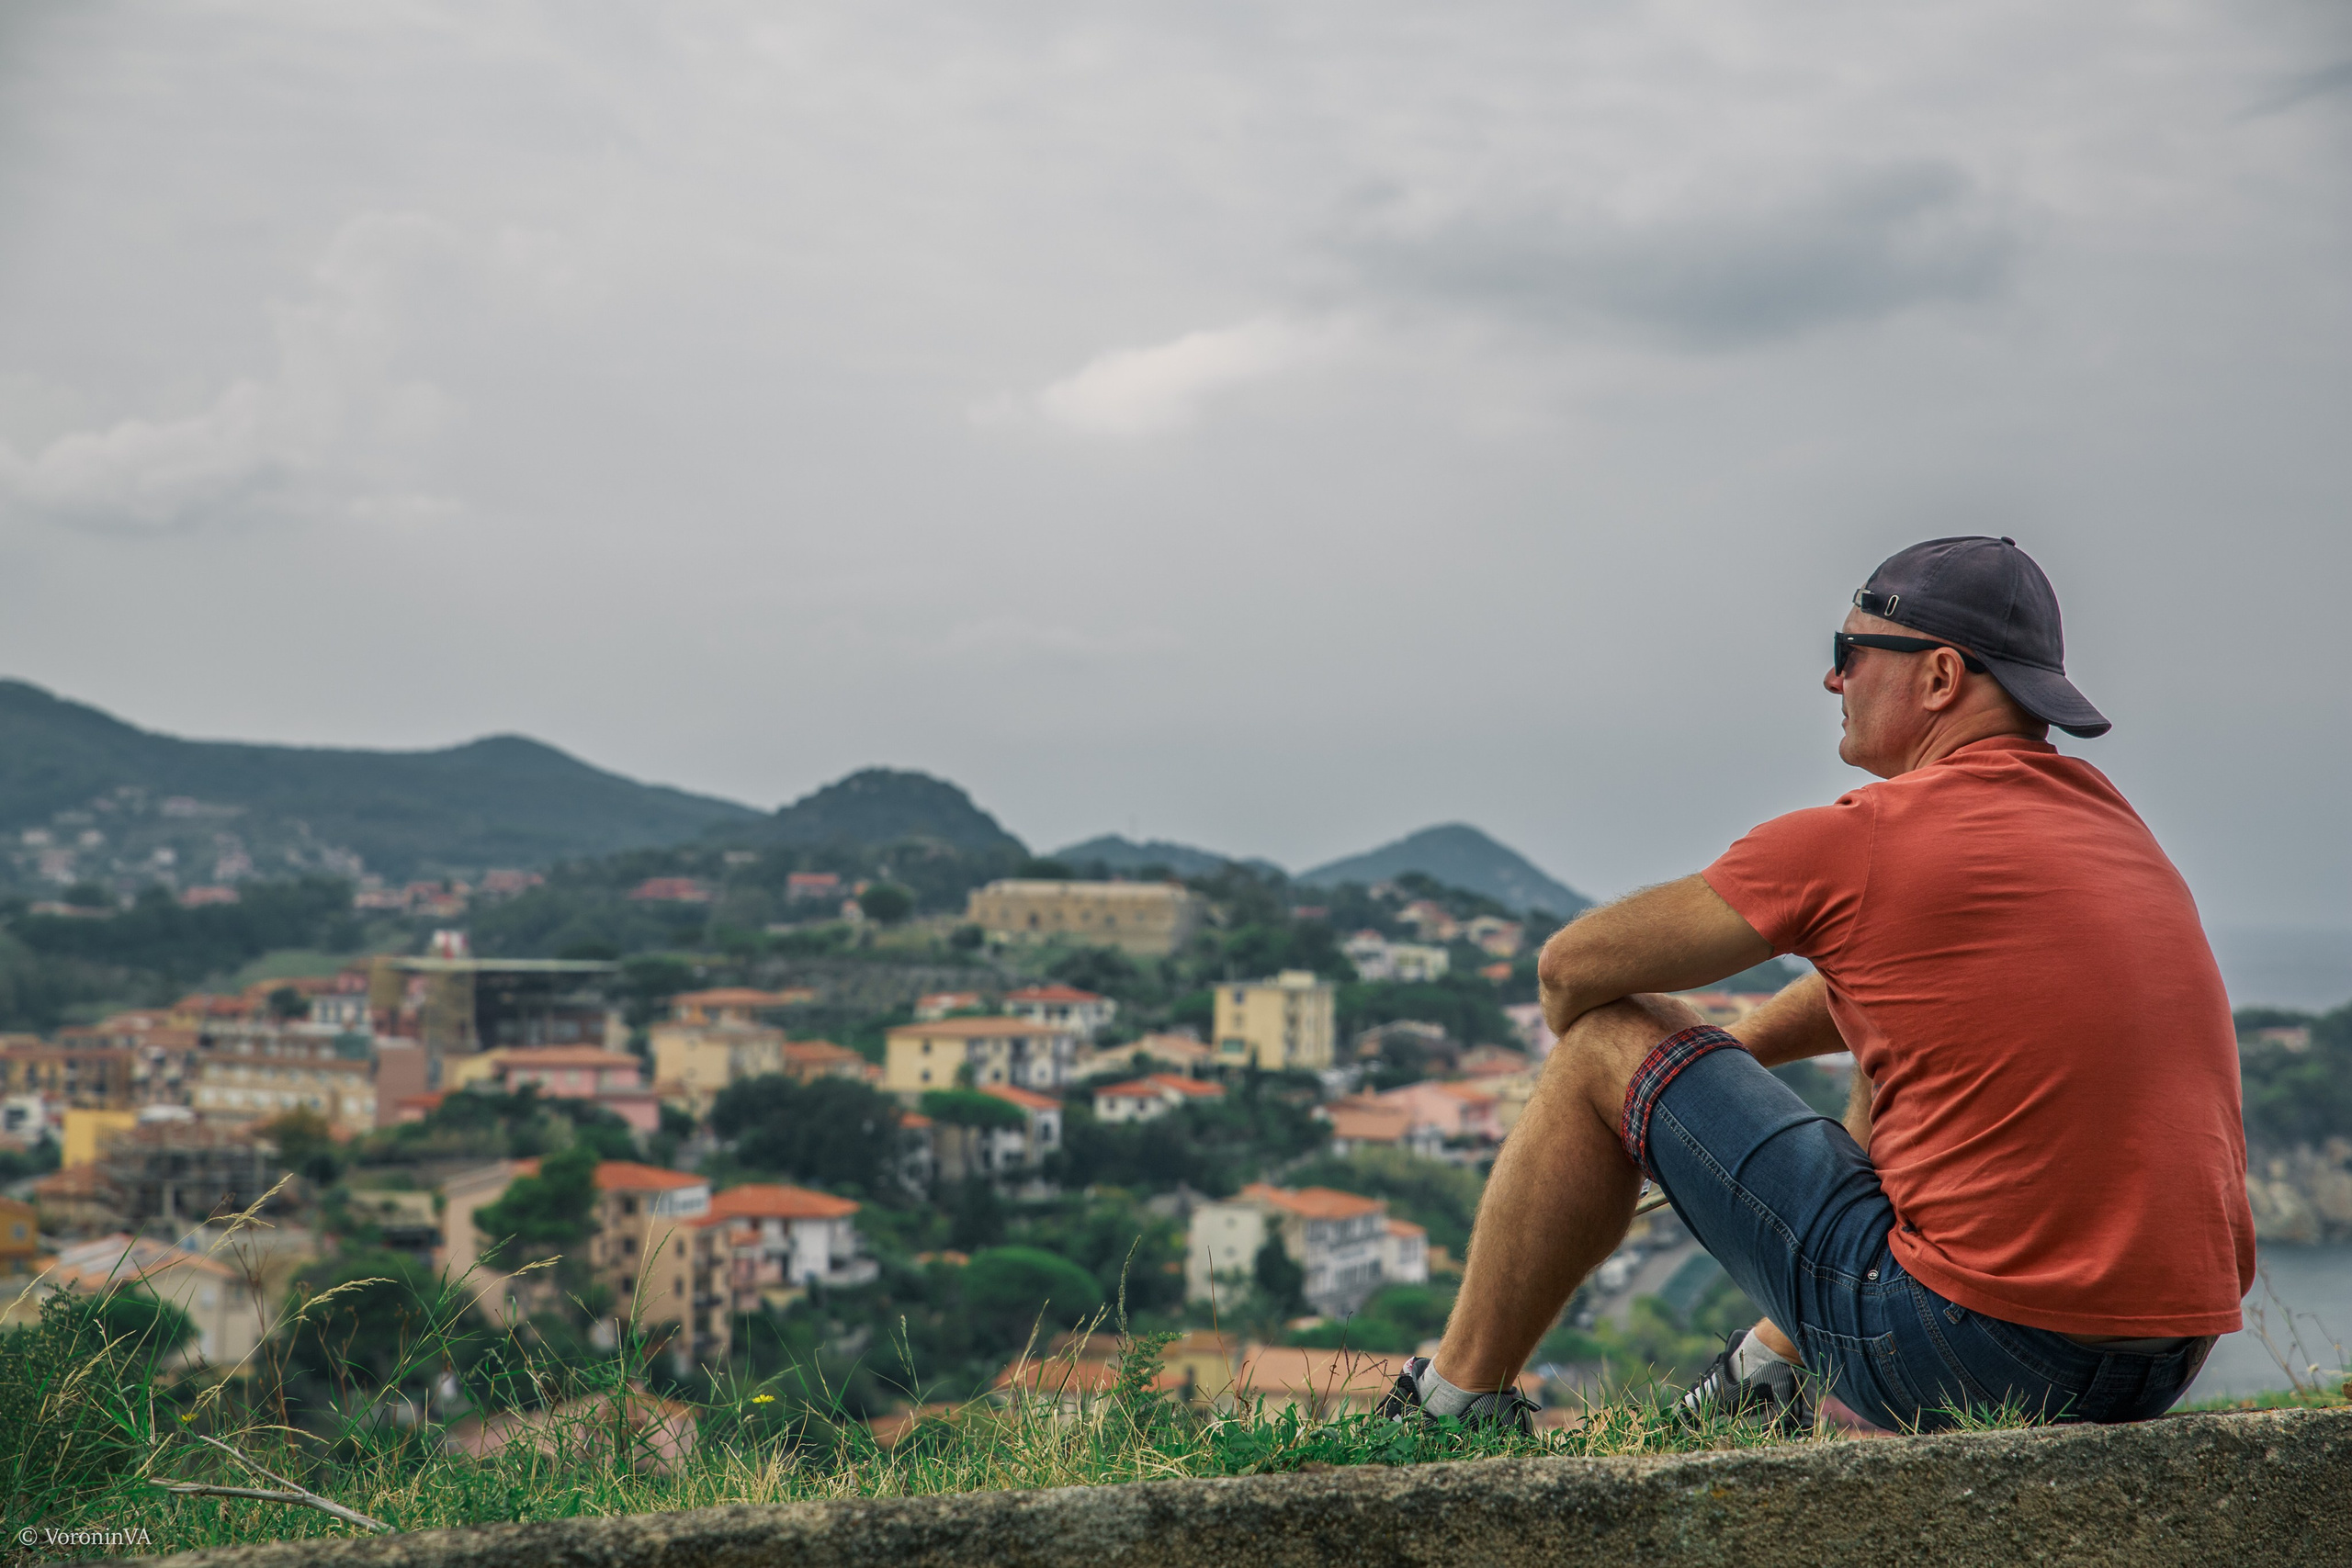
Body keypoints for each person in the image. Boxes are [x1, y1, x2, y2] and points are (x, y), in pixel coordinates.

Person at [1380, 536, 2255, 1433]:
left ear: (1941, 677)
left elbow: (1571, 969)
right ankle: (1767, 1371)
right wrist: (1731, 1063)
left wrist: (1636, 1098)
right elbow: (1911, 994)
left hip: (1968, 1353)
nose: (1831, 682)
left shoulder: (1869, 838)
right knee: (1891, 1028)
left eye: (1849, 654)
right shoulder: (2108, 827)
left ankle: (1452, 1404)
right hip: (2159, 1363)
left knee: (1606, 1038)